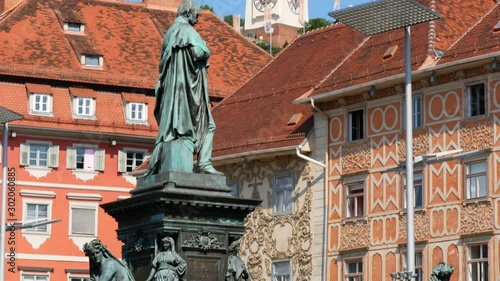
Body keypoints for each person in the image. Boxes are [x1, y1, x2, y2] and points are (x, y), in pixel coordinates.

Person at [146, 0, 222, 176]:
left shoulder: (170, 32)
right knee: (209, 125)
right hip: (189, 91)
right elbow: (198, 52)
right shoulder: (186, 30)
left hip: (177, 92)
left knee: (201, 127)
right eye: (197, 14)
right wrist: (206, 50)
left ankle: (203, 163)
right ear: (188, 12)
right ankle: (204, 163)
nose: (198, 17)